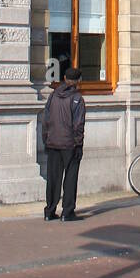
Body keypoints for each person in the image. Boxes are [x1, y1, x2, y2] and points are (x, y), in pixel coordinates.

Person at [42, 67, 86, 221]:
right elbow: (78, 124)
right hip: (69, 144)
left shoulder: (53, 95)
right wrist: (78, 144)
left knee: (53, 178)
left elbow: (46, 120)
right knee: (70, 178)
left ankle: (49, 211)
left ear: (65, 78)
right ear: (78, 81)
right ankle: (67, 212)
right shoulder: (77, 99)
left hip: (53, 142)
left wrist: (46, 139)